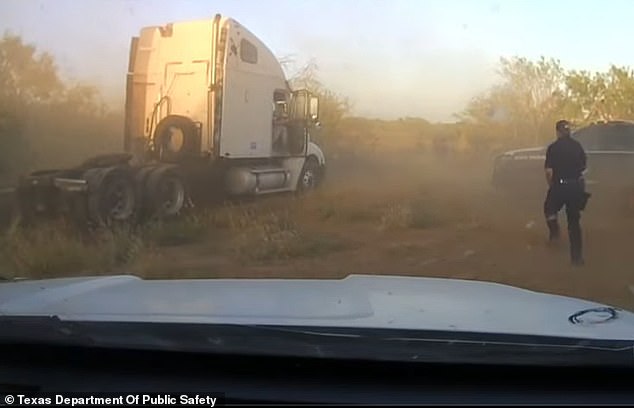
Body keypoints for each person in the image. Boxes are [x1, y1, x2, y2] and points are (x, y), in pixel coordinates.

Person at [543, 119, 589, 266]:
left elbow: (549, 171)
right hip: (575, 187)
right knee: (574, 223)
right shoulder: (577, 146)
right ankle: (577, 258)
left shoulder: (553, 148)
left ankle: (554, 233)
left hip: (559, 186)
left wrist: (552, 186)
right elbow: (583, 167)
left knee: (549, 209)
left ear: (557, 132)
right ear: (569, 131)